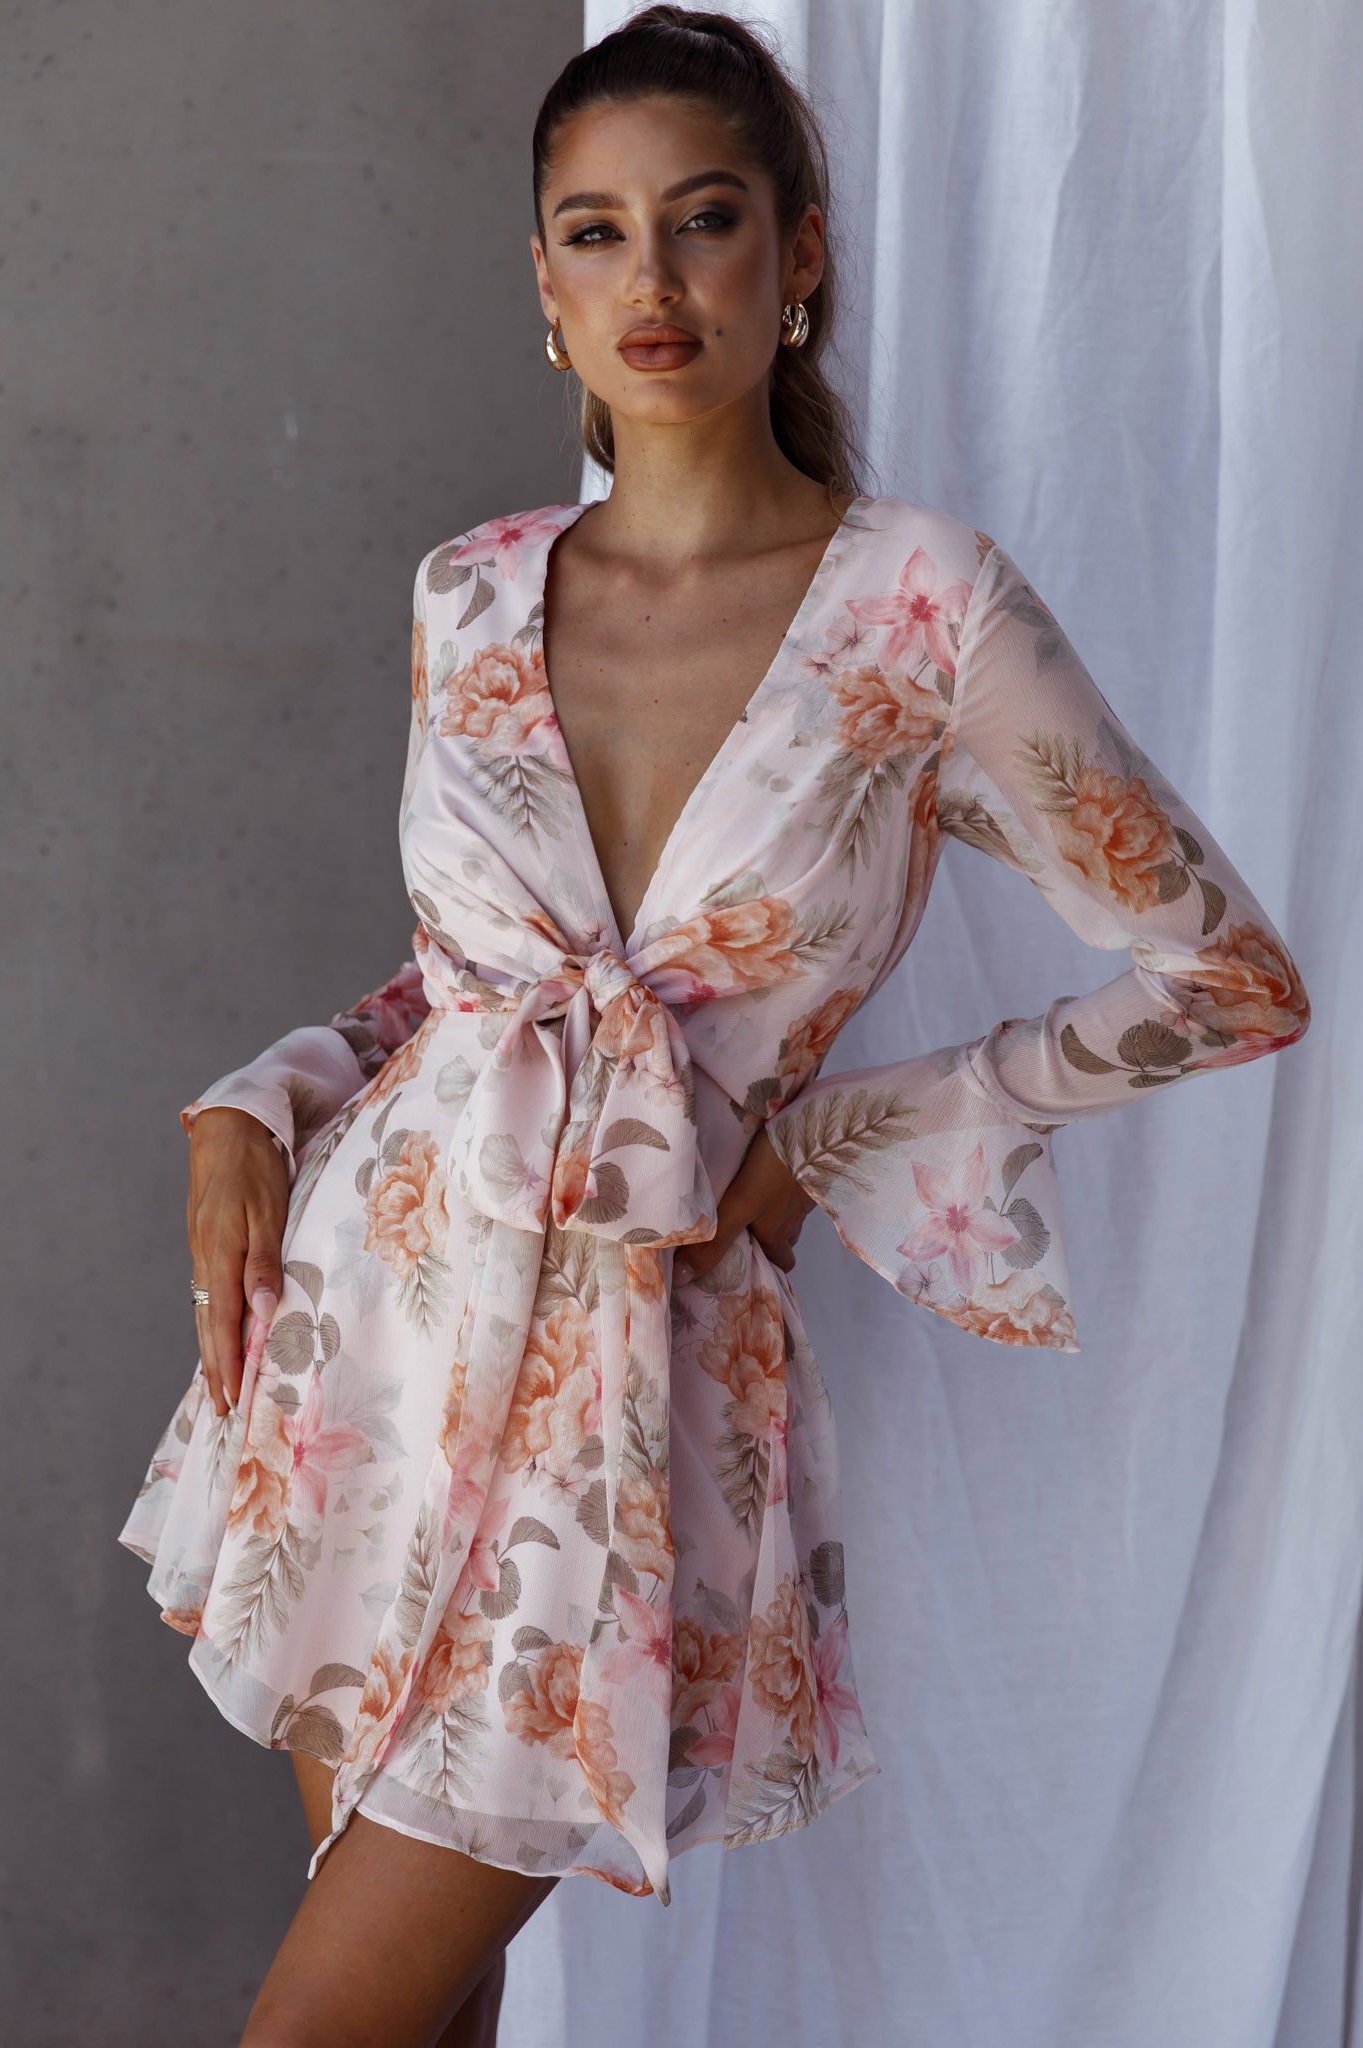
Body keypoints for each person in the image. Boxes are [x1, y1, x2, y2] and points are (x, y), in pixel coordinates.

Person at [117, 7, 1311, 2045]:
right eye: (595, 232)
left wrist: (836, 1140)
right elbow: (454, 994)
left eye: (704, 219)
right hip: (365, 1346)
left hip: (623, 1392)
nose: (650, 279)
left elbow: (1227, 979)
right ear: (542, 282)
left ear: (798, 251)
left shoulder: (924, 610)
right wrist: (255, 1099)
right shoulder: (467, 593)